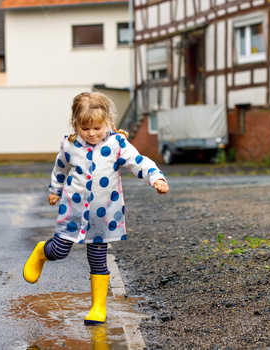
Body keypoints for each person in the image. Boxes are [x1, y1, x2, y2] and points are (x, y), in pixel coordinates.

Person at [23, 91, 169, 324]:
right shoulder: (70, 145)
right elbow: (60, 169)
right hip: (73, 212)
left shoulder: (117, 144)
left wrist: (156, 178)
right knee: (59, 251)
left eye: (97, 128)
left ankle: (98, 308)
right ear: (76, 125)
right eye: (85, 128)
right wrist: (55, 190)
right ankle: (42, 251)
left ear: (108, 122)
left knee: (98, 261)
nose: (91, 133)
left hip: (103, 217)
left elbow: (138, 162)